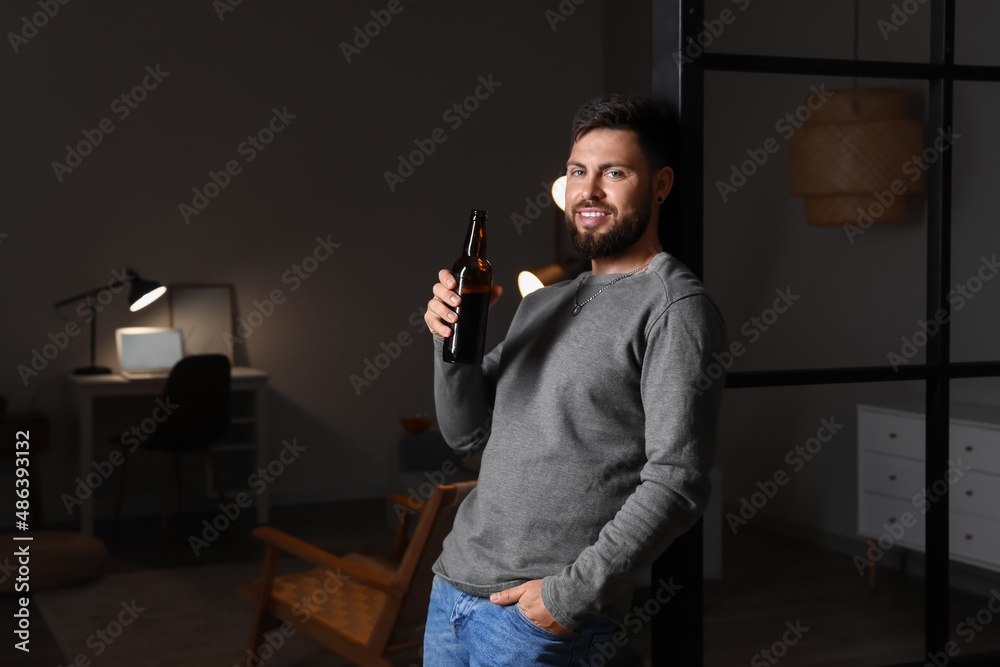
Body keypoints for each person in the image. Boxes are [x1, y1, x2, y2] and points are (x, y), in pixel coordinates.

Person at [421, 94, 727, 666]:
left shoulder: (672, 306)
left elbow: (679, 481)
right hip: (453, 589)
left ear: (659, 185)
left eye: (614, 173)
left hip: (534, 618)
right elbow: (464, 434)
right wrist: (449, 344)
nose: (588, 192)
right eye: (577, 172)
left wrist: (566, 597)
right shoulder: (544, 302)